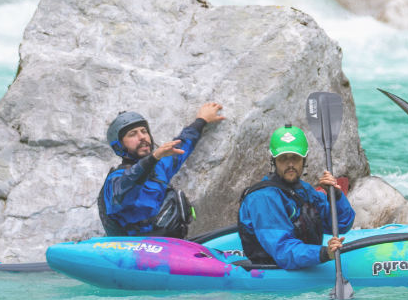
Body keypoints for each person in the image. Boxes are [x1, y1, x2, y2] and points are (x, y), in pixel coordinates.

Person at [98, 103, 224, 236]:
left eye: (144, 131)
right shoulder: (115, 182)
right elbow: (130, 182)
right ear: (120, 145)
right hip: (137, 249)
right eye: (132, 134)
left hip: (168, 244)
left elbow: (182, 145)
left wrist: (201, 121)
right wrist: (154, 158)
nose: (142, 137)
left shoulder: (158, 168)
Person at [237, 126, 355, 269]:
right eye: (283, 158)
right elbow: (282, 250)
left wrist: (335, 196)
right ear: (274, 161)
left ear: (304, 160)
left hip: (305, 263)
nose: (291, 164)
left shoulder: (305, 191)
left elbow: (341, 225)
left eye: (296, 157)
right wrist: (324, 253)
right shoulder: (263, 198)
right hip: (274, 272)